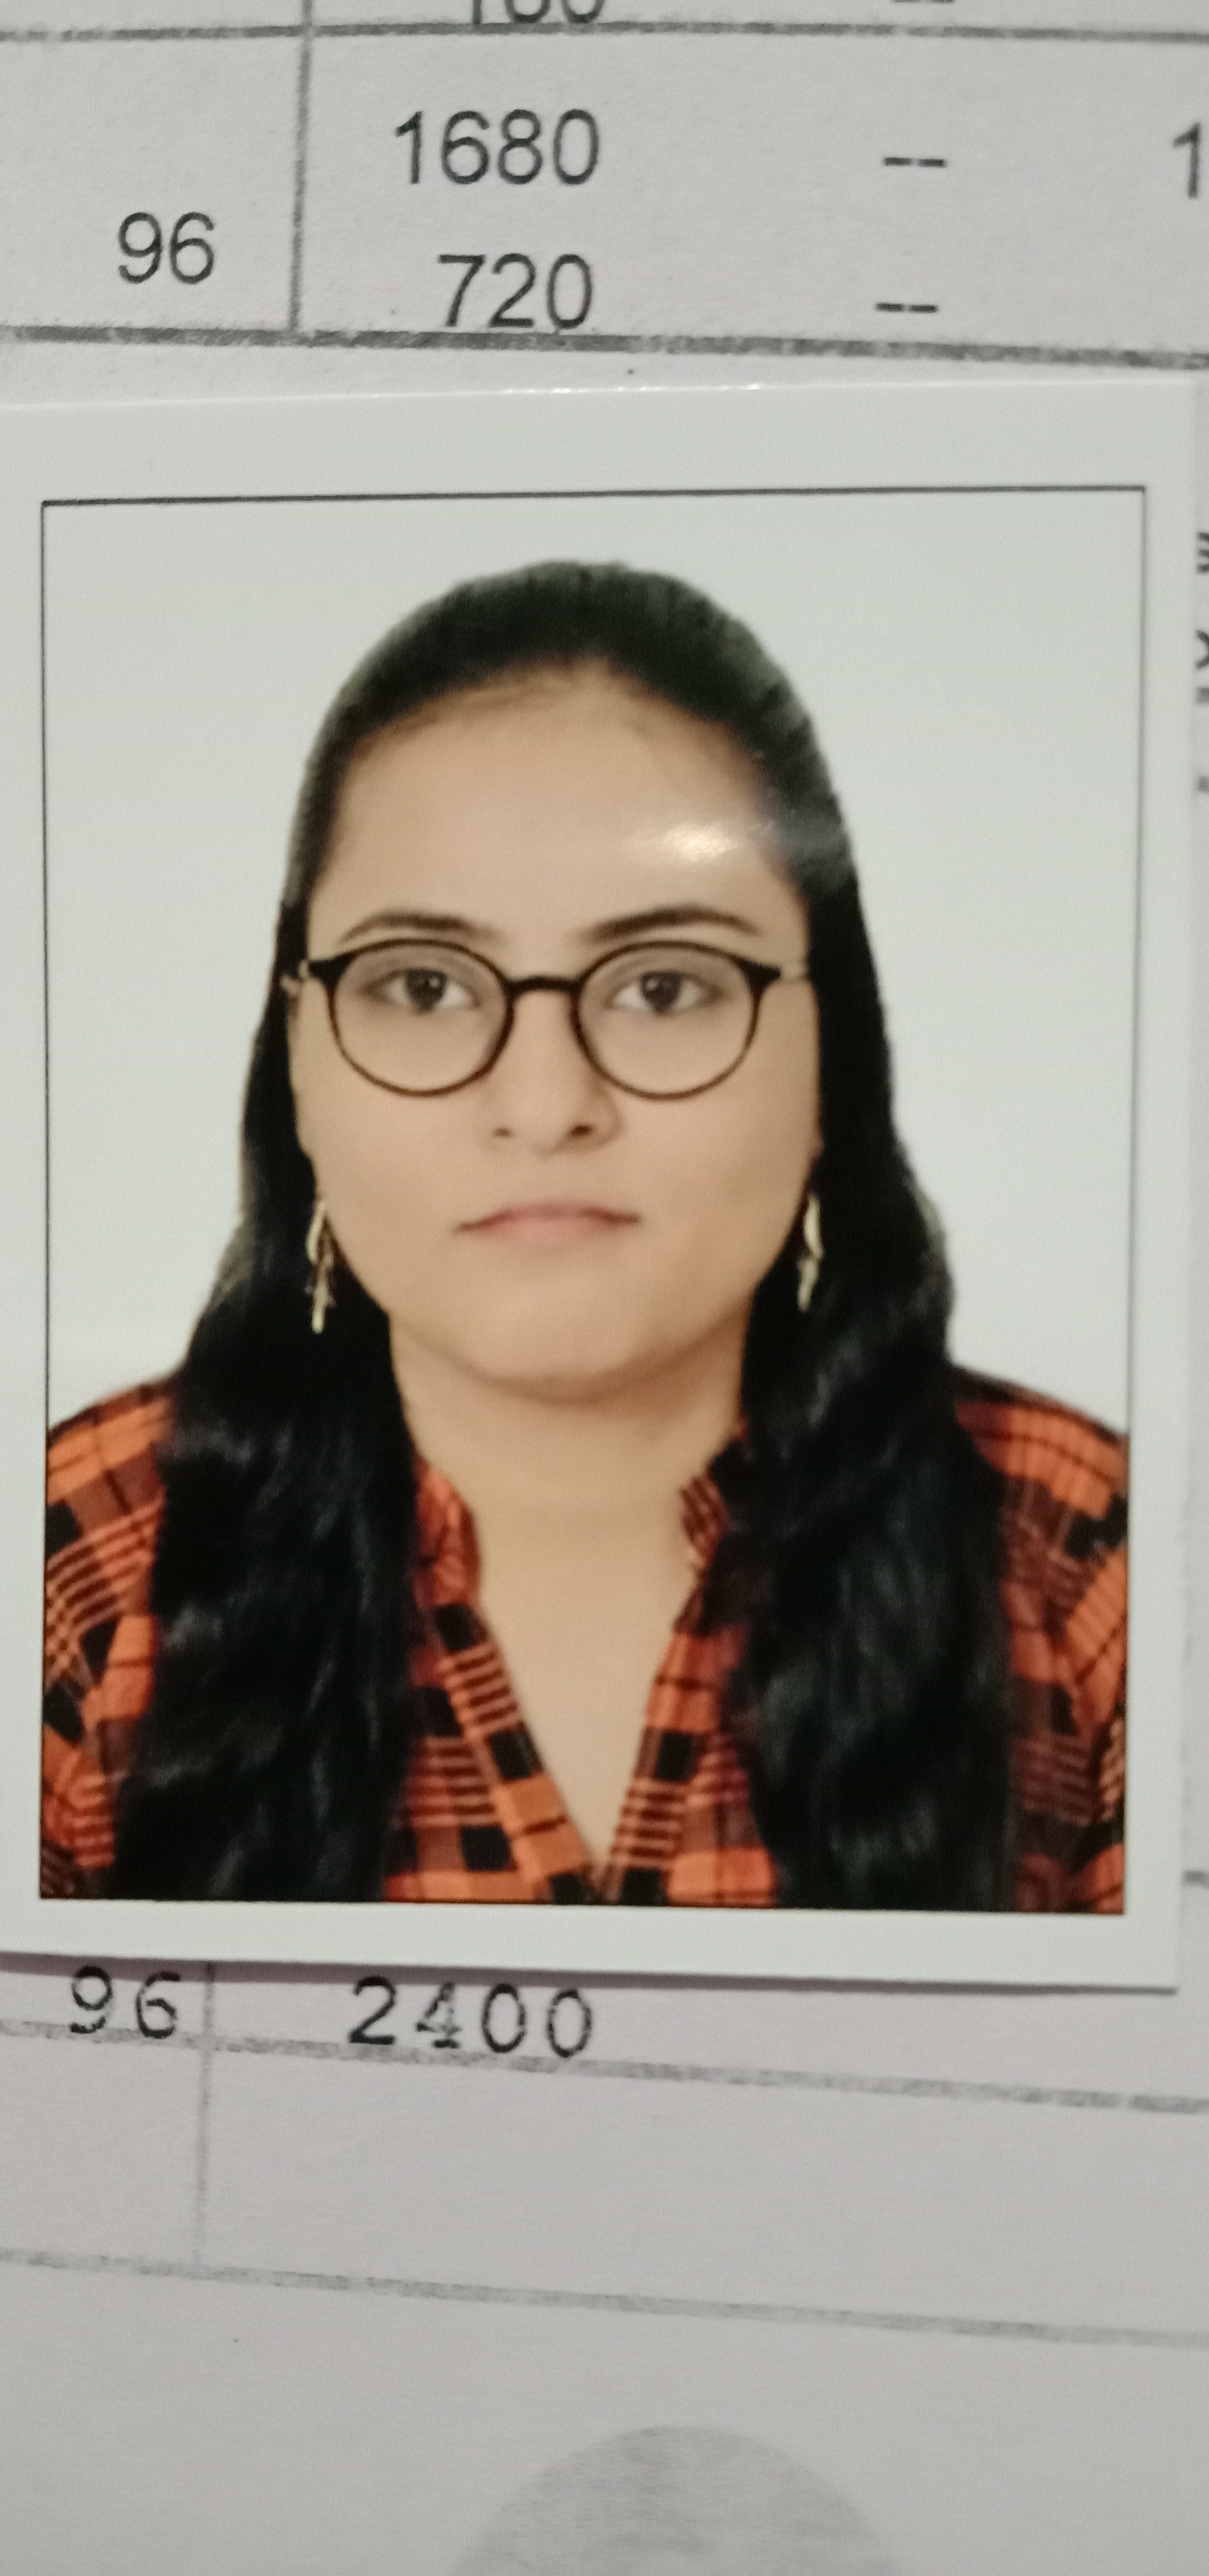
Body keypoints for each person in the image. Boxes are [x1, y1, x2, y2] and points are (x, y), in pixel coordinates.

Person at [40, 561, 1127, 1909]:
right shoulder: (69, 1564)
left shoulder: (1090, 1556)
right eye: (423, 986)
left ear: (829, 1062)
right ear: (299, 1061)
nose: (547, 1103)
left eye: (663, 986)